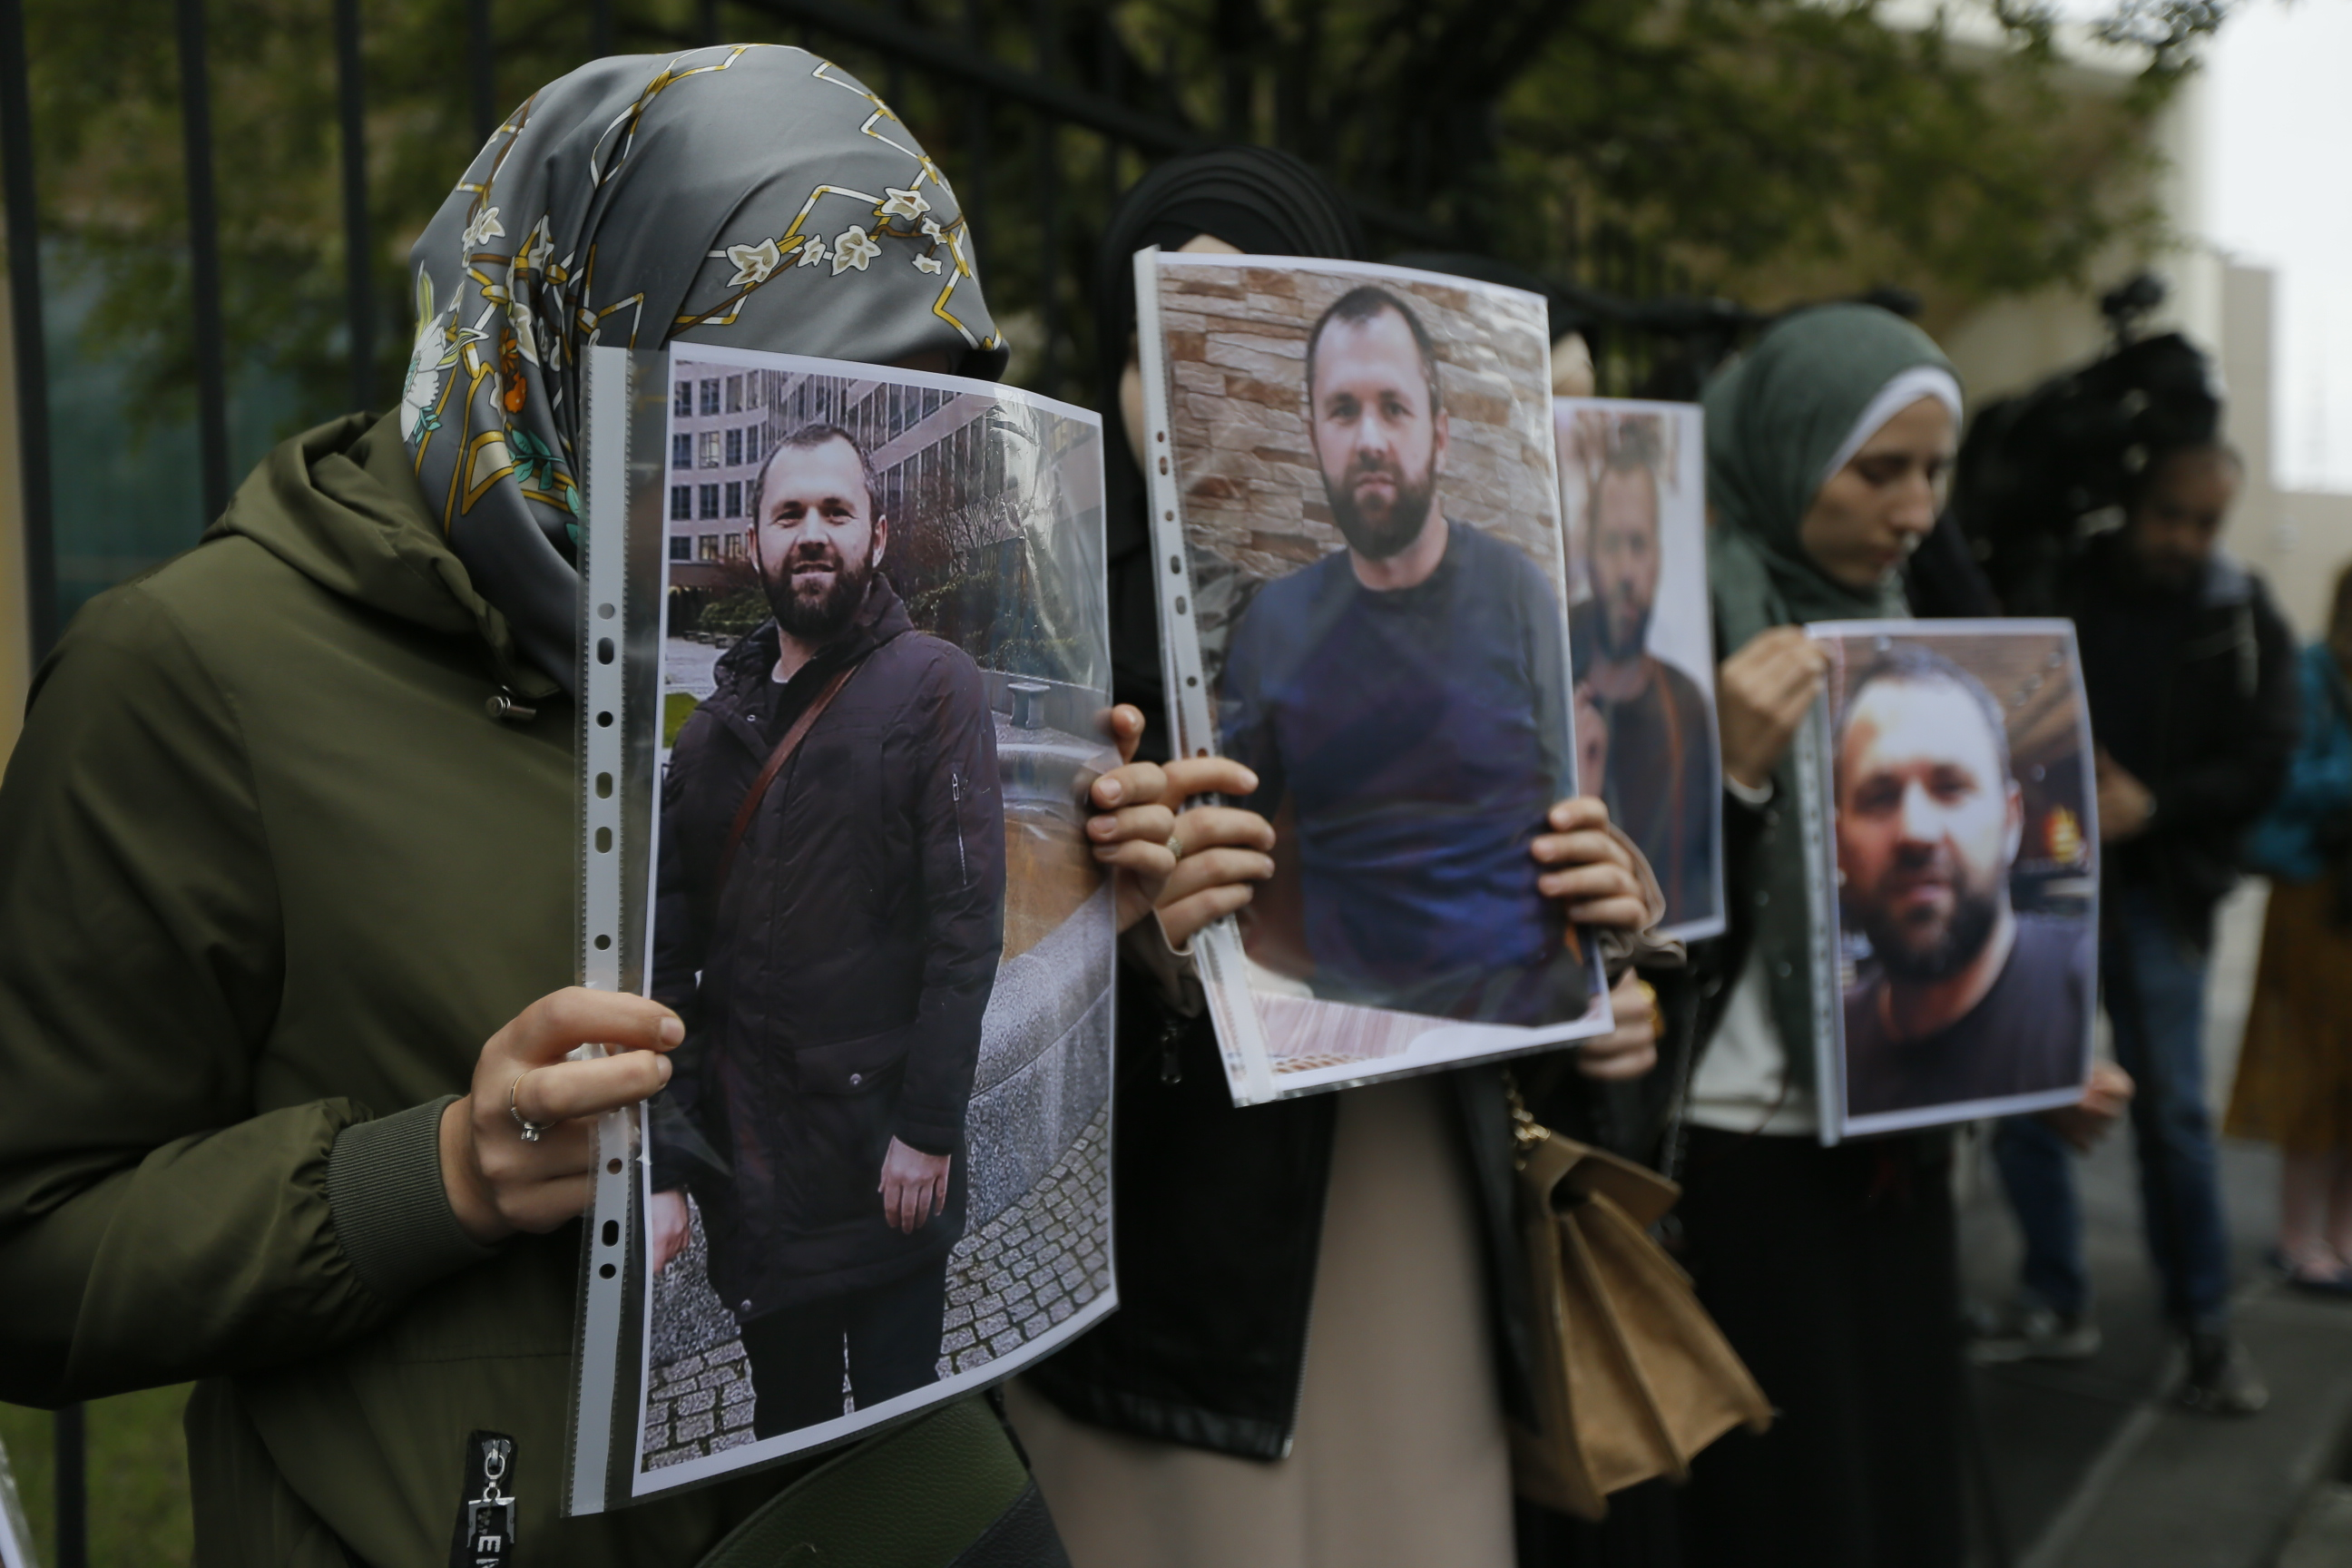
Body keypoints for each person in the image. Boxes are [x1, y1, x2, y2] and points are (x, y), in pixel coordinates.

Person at [0, 48, 1073, 1565]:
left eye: (887, 418)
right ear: (574, 340)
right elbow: (28, 1249)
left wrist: (1103, 916)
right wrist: (429, 1172)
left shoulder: (828, 654)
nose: (803, 498)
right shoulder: (192, 676)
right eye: (756, 405)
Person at [1004, 147, 1678, 1568]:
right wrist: (1141, 944)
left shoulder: (1486, 600)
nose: (1184, 382)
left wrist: (1591, 945)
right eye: (1151, 340)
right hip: (1171, 1289)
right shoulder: (1033, 623)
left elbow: (1494, 920)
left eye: (1234, 326)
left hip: (1408, 1208)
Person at [1674, 304, 1998, 1567]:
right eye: (1881, 471)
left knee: (1901, 1483)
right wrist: (1734, 779)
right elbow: (1620, 915)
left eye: (1935, 472)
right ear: (1790, 452)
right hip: (1743, 1153)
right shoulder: (1674, 625)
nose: (1917, 511)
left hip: (1900, 1142)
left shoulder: (1918, 631)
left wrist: (2033, 1047)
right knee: (1787, 1507)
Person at [645, 424, 1005, 1436]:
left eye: (835, 513)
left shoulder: (935, 686)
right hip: (758, 1186)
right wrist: (668, 1162)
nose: (813, 533)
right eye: (790, 514)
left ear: (877, 536)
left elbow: (967, 930)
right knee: (786, 1436)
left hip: (887, 1165)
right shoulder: (711, 738)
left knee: (898, 1440)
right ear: (755, 543)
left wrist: (929, 1132)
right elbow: (669, 968)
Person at [1984, 440, 2295, 1411]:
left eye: (2207, 522)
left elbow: (2266, 756)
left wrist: (2153, 806)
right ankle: (2053, 1295)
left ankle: (2202, 1322)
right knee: (2029, 1089)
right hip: (2039, 882)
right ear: (2133, 502)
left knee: (2177, 1116)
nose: (2187, 539)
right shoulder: (2059, 580)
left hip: (2158, 892)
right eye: (2171, 514)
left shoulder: (2238, 612)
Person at [1218, 283, 1589, 1024]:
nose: (1370, 440)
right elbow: (1230, 849)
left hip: (1524, 1022)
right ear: (1313, 431)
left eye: (1394, 407)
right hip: (1346, 1036)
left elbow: (1580, 823)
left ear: (1440, 434)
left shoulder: (1519, 591)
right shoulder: (1277, 622)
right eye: (1344, 410)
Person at [1835, 644, 2095, 1118]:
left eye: (1950, 787)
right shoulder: (1834, 1040)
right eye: (1879, 797)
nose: (1916, 831)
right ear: (1838, 844)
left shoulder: (2076, 987)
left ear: (2012, 821)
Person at [2229, 562, 2352, 1293]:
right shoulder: (2309, 674)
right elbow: (2287, 776)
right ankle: (2296, 1233)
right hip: (2318, 897)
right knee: (2313, 1064)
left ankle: (2340, 1233)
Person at [1569, 440, 1720, 928]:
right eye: (1612, 545)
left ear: (1658, 557)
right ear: (1587, 554)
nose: (1627, 573)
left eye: (1639, 545)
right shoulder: (1545, 690)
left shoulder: (1688, 708)